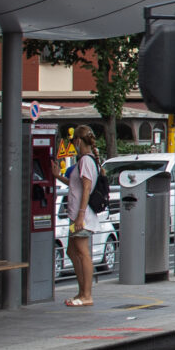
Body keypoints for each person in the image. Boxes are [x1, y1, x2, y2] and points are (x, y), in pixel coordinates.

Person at [64, 126, 106, 307]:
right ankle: (81, 292)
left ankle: (86, 294)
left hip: (82, 215)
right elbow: (77, 185)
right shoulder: (87, 161)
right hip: (77, 215)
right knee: (72, 251)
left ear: (78, 141)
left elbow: (87, 188)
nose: (73, 145)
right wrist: (57, 175)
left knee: (82, 253)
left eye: (73, 142)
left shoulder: (85, 161)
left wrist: (80, 216)